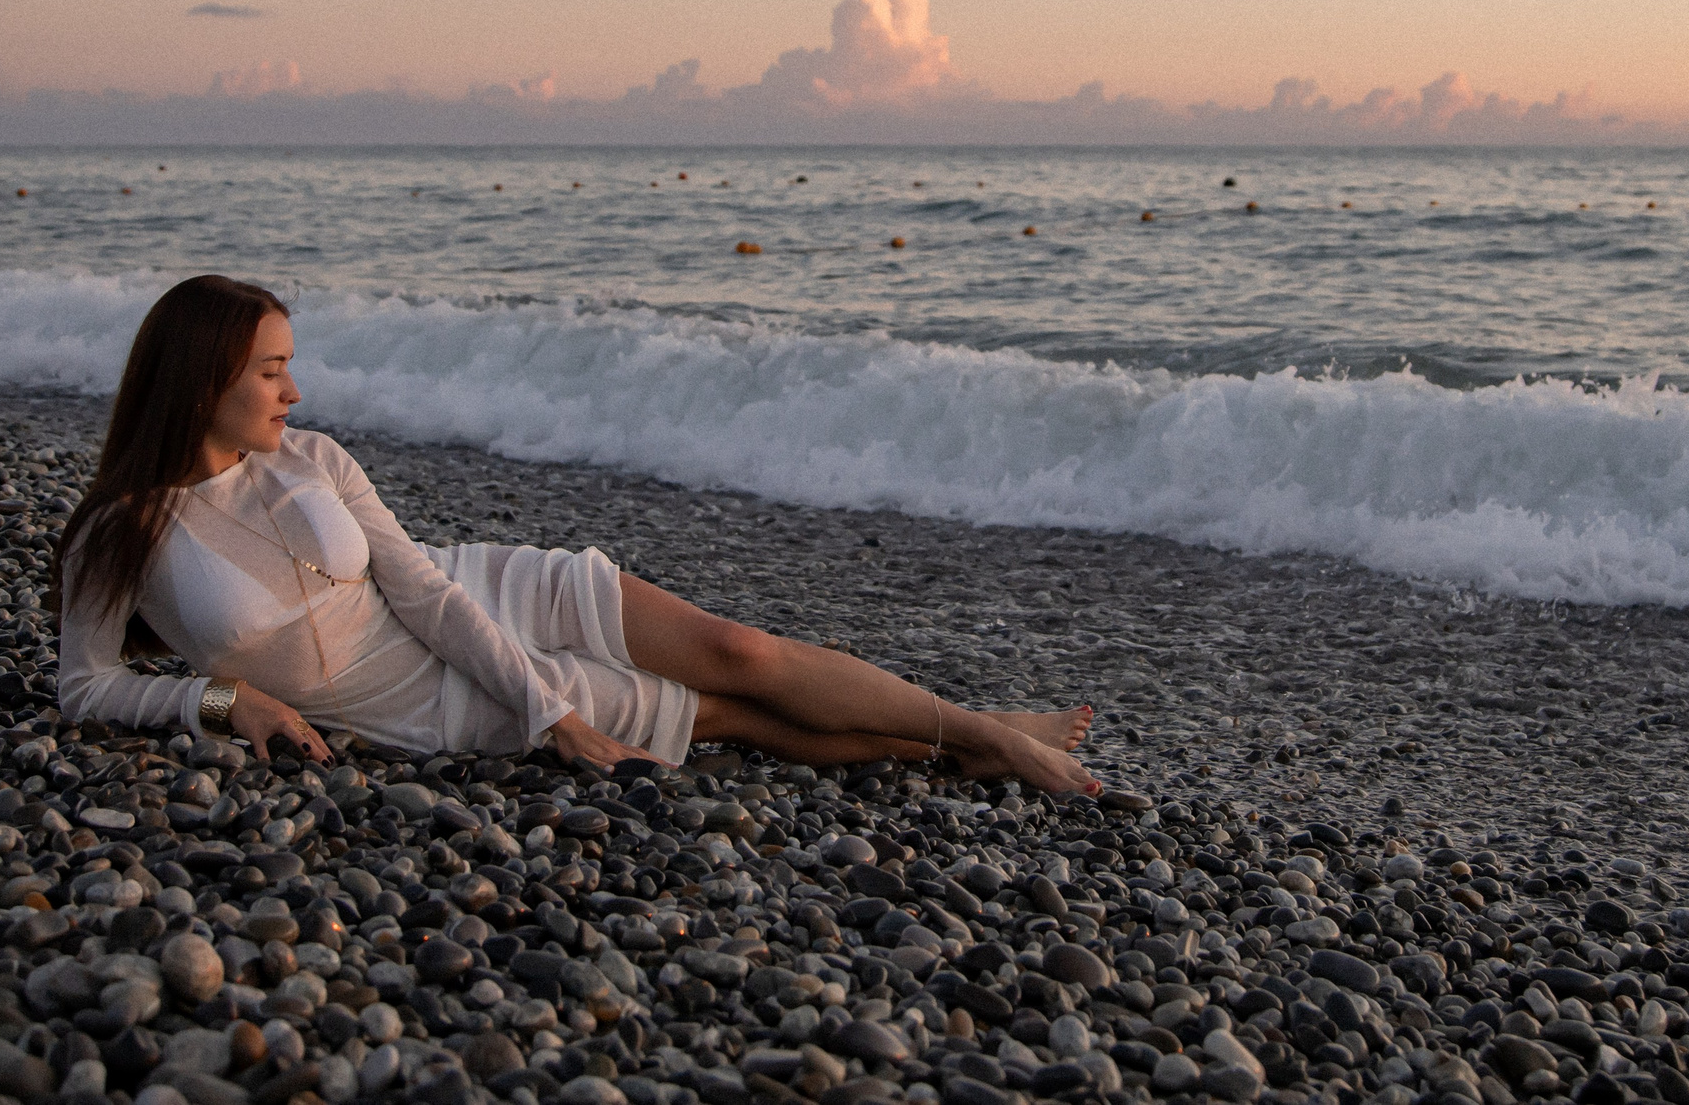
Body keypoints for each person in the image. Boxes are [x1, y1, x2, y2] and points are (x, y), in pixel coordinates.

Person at [53, 275, 1098, 795]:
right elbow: (86, 686)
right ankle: (973, 740)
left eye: (290, 364)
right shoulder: (121, 532)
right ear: (203, 378)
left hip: (488, 600)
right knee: (731, 718)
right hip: (424, 702)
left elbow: (421, 588)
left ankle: (984, 732)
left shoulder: (312, 458)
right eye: (271, 370)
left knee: (743, 652)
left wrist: (548, 709)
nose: (294, 388)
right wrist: (226, 701)